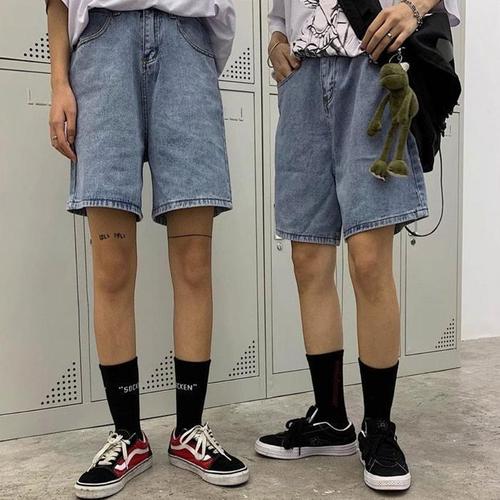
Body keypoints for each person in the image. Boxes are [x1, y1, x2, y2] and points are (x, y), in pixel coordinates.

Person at [46, 0, 249, 497]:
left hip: (188, 45)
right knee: (112, 268)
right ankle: (128, 435)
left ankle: (188, 430)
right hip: (102, 52)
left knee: (194, 265)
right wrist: (58, 83)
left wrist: (201, 56)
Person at [256, 0, 460, 492]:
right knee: (308, 259)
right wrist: (277, 40)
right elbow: (281, 14)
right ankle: (331, 419)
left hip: (372, 68)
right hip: (303, 81)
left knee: (369, 261)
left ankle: (379, 427)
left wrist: (413, 7)